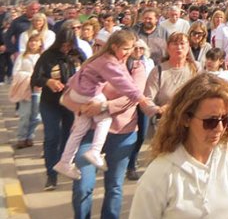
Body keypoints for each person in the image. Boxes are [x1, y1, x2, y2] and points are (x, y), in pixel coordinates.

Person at [128, 74, 228, 219]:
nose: (219, 128)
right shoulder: (160, 173)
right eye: (210, 121)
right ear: (186, 119)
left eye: (226, 119)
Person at [53, 30, 156, 180]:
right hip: (87, 94)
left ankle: (64, 162)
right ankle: (95, 151)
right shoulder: (108, 62)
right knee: (104, 119)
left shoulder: (103, 59)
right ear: (114, 47)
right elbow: (122, 82)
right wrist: (139, 97)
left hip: (79, 92)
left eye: (132, 48)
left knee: (79, 130)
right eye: (126, 49)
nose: (130, 52)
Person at [32, 25, 86, 190]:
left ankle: (66, 163)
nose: (66, 48)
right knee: (51, 137)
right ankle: (51, 174)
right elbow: (36, 78)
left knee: (69, 137)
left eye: (69, 45)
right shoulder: (48, 56)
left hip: (71, 103)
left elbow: (90, 72)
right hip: (51, 103)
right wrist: (48, 81)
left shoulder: (78, 55)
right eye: (63, 45)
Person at [11, 32, 42, 149]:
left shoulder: (42, 56)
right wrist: (28, 76)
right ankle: (21, 137)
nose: (33, 43)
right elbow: (15, 71)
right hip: (25, 88)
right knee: (25, 114)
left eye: (36, 41)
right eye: (31, 41)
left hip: (38, 89)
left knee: (36, 116)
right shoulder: (22, 56)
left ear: (40, 43)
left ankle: (30, 136)